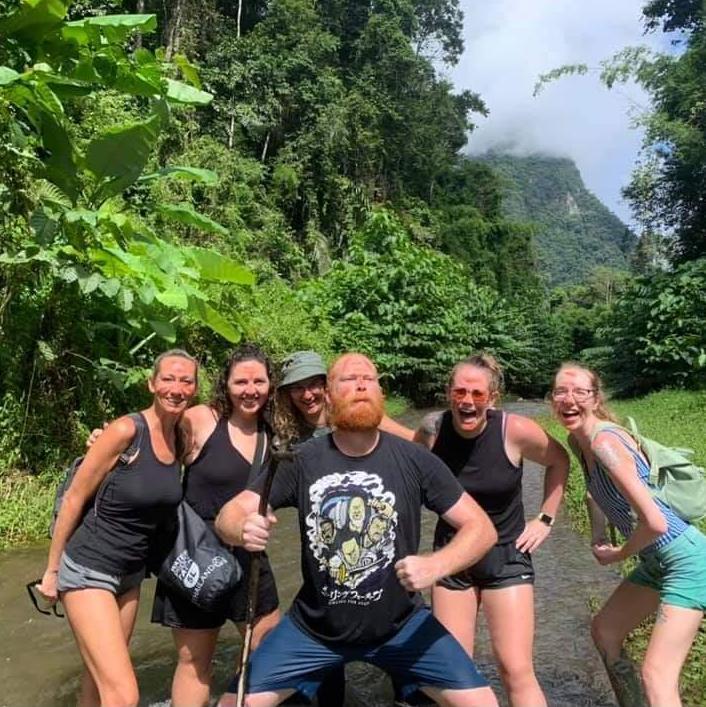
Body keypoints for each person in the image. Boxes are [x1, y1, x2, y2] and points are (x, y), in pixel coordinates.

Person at [216, 353, 500, 707]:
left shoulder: (415, 459)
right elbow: (230, 513)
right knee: (235, 704)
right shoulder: (301, 460)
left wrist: (437, 565)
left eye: (369, 378)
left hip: (403, 625)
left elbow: (481, 528)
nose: (361, 384)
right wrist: (241, 528)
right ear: (329, 396)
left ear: (380, 392)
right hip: (315, 630)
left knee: (483, 702)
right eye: (348, 379)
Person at [38, 349, 198, 707]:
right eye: (168, 379)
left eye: (186, 380)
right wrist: (51, 570)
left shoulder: (181, 436)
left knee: (98, 685)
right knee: (124, 696)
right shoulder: (126, 431)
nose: (176, 388)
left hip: (130, 576)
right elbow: (75, 498)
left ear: (195, 388)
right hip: (88, 568)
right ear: (152, 383)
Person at [413, 353, 569, 707]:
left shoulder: (513, 430)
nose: (467, 401)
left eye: (477, 394)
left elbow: (560, 460)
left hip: (507, 556)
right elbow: (408, 468)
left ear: (493, 398)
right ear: (448, 392)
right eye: (460, 392)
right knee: (455, 671)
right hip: (452, 555)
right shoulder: (433, 429)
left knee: (515, 669)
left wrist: (545, 518)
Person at [551, 362, 706, 707]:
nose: (569, 399)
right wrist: (596, 535)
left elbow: (656, 523)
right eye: (560, 391)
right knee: (605, 631)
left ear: (595, 397)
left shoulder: (605, 441)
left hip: (687, 561)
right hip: (657, 560)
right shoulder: (579, 442)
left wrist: (618, 554)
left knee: (657, 675)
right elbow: (595, 493)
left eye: (580, 391)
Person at [152, 344, 280, 707]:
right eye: (241, 381)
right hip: (194, 553)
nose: (250, 390)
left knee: (269, 650)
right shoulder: (201, 420)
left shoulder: (274, 432)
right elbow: (153, 444)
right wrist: (109, 441)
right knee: (195, 662)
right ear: (225, 384)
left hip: (249, 556)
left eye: (259, 381)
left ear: (270, 385)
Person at [274, 349, 415, 443]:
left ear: (326, 386)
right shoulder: (286, 435)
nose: (307, 395)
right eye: (297, 388)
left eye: (313, 385)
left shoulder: (356, 414)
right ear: (288, 394)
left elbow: (414, 440)